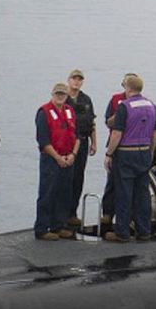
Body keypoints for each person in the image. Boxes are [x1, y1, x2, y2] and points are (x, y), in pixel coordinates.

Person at [103, 73, 156, 243]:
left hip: (126, 153)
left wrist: (109, 154)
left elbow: (116, 133)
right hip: (144, 152)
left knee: (124, 193)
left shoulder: (125, 107)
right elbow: (155, 133)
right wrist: (150, 150)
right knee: (142, 194)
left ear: (128, 88)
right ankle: (144, 231)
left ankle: (122, 232)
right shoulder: (152, 106)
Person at [34, 82, 79, 241]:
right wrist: (58, 158)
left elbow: (77, 135)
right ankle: (42, 228)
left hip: (68, 158)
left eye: (63, 94)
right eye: (57, 94)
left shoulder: (70, 111)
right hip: (51, 159)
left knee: (64, 193)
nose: (60, 97)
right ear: (52, 94)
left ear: (67, 96)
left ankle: (58, 225)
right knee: (48, 193)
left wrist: (73, 155)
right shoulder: (44, 112)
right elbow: (43, 141)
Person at [64, 70, 96, 229]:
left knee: (78, 179)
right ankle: (61, 214)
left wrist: (94, 142)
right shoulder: (63, 98)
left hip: (82, 142)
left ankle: (72, 213)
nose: (77, 82)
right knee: (65, 179)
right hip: (66, 145)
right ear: (68, 80)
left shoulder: (86, 99)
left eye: (79, 79)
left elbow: (92, 123)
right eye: (74, 79)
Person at [98, 76, 128, 228]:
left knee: (128, 185)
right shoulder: (115, 99)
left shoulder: (142, 103)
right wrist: (119, 116)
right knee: (112, 182)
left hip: (129, 147)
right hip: (115, 146)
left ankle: (126, 219)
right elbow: (107, 121)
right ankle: (107, 214)